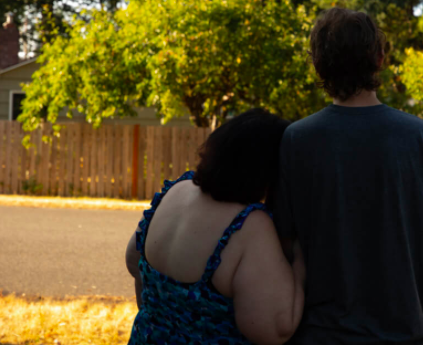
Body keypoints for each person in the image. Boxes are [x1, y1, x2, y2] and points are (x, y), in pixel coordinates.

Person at [272, 7, 423, 344]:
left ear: (318, 64)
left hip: (320, 336)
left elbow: (285, 250)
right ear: (379, 58)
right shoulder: (422, 138)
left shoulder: (297, 140)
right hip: (404, 334)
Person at [125, 108, 306, 345]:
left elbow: (133, 260)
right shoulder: (249, 225)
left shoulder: (176, 190)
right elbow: (274, 329)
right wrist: (301, 264)